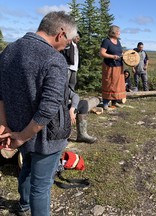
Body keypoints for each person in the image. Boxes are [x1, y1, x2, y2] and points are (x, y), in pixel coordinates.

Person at [0, 11, 77, 216]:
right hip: (44, 136)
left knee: (26, 168)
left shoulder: (9, 50)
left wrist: (5, 125)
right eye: (68, 41)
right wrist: (23, 136)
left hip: (17, 129)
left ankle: (24, 205)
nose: (67, 46)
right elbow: (49, 107)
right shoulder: (54, 59)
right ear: (61, 34)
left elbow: (0, 93)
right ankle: (29, 207)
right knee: (41, 187)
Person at [99, 25, 126, 110]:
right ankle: (106, 104)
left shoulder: (118, 41)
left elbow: (120, 51)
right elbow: (102, 53)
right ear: (113, 32)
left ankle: (115, 102)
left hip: (119, 66)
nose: (119, 33)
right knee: (109, 84)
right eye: (118, 32)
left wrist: (123, 55)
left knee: (117, 85)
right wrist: (112, 57)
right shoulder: (106, 41)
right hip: (109, 66)